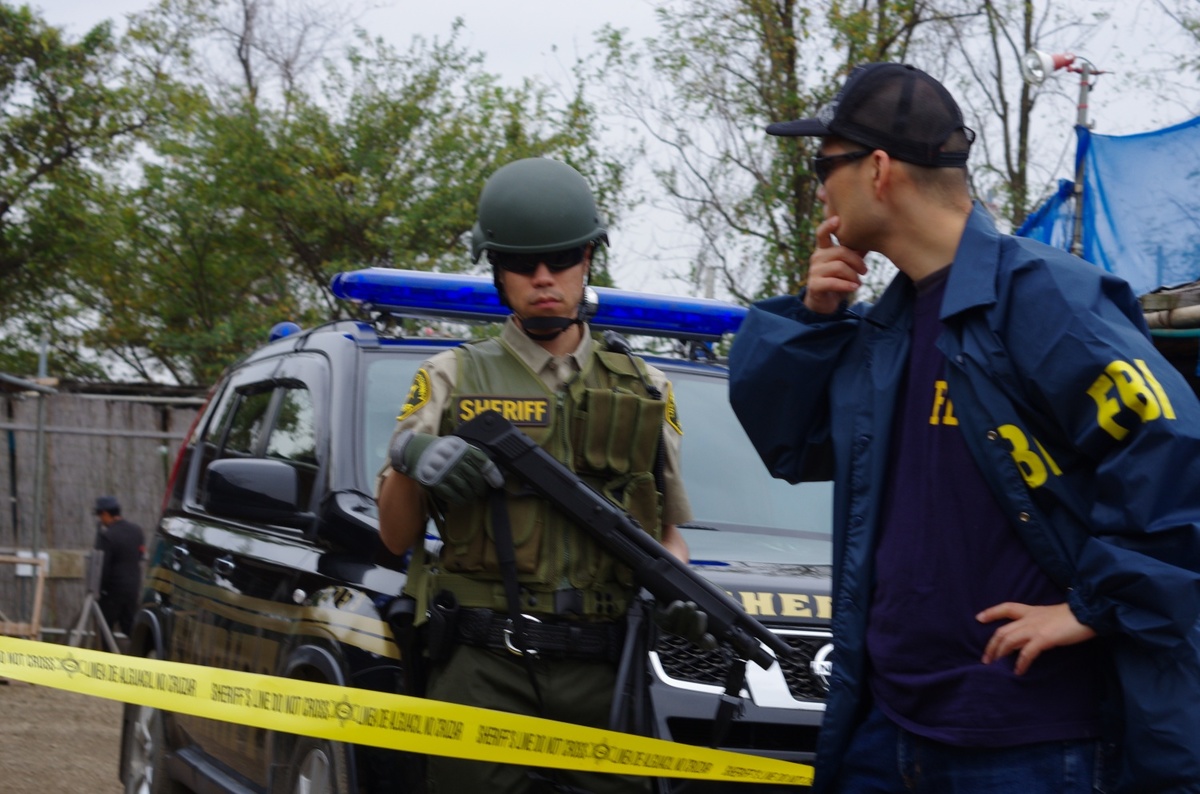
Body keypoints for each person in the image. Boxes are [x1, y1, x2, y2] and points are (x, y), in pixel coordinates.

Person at [729, 62, 1200, 793]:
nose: (820, 190)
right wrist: (812, 324)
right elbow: (793, 445)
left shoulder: (1043, 298)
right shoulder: (885, 329)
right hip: (886, 729)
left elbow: (1171, 445)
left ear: (878, 169)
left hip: (1028, 743)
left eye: (826, 166)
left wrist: (1093, 607)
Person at [377, 157, 700, 794]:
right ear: (499, 271)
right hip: (483, 665)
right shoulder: (450, 375)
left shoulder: (646, 388)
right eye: (524, 263)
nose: (544, 278)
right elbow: (393, 536)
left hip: (603, 670)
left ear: (588, 259)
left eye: (561, 259)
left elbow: (667, 533)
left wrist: (678, 591)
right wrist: (411, 460)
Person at [93, 495, 145, 637]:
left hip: (112, 592)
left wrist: (100, 590)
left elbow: (103, 567)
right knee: (131, 629)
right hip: (133, 589)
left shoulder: (108, 536)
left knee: (105, 631)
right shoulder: (137, 531)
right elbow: (139, 556)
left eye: (100, 516)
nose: (100, 520)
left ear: (105, 513)